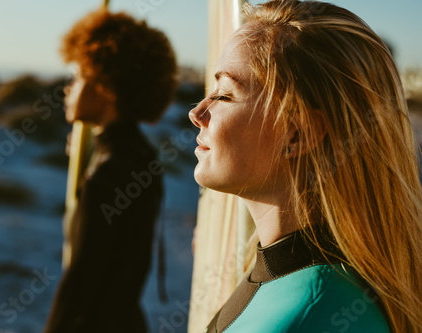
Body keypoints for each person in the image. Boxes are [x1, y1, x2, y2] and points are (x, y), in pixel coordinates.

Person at [189, 1, 422, 332]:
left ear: (297, 134)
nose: (197, 113)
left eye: (225, 95)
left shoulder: (311, 315)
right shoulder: (286, 277)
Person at [44, 7, 177, 333]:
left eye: (78, 77)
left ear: (105, 86)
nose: (68, 88)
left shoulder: (108, 172)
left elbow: (81, 285)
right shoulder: (141, 157)